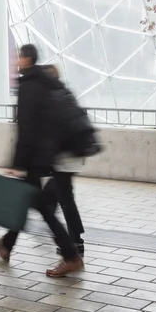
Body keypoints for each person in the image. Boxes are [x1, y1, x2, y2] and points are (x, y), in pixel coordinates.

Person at [0, 44, 84, 277]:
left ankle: (71, 256)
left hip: (33, 157)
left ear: (27, 59)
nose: (16, 61)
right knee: (29, 202)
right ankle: (7, 244)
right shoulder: (46, 82)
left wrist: (17, 162)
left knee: (42, 207)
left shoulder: (29, 86)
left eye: (19, 57)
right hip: (45, 155)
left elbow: (27, 127)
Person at [41, 64, 85, 256]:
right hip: (73, 156)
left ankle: (72, 242)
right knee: (60, 197)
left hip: (63, 158)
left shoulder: (53, 96)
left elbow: (52, 132)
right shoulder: (65, 92)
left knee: (60, 200)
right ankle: (72, 239)